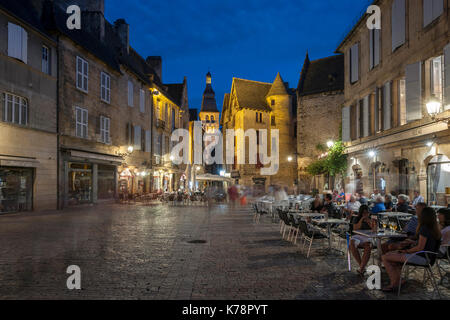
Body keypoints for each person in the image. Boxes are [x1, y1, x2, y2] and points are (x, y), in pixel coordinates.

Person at [381, 207, 442, 292]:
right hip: (428, 257)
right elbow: (425, 244)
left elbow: (420, 248)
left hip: (421, 257)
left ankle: (394, 284)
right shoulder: (434, 228)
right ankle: (398, 282)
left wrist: (406, 251)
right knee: (392, 259)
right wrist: (411, 243)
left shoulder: (424, 228)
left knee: (385, 257)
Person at [349, 205, 375, 275]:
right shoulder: (356, 218)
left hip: (369, 236)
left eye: (367, 212)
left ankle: (361, 268)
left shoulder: (372, 219)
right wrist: (361, 219)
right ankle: (362, 266)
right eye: (363, 213)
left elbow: (375, 230)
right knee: (352, 243)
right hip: (358, 235)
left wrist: (369, 221)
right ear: (361, 212)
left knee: (368, 246)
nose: (365, 214)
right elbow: (355, 229)